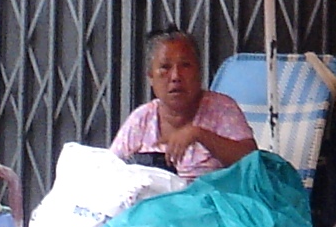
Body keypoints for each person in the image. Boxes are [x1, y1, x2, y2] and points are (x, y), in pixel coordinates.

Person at [110, 30, 259, 182]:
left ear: (199, 72)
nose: (176, 76)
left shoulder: (221, 109)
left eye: (185, 65)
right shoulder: (142, 119)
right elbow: (109, 169)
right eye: (165, 67)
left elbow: (254, 163)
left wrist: (199, 134)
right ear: (151, 78)